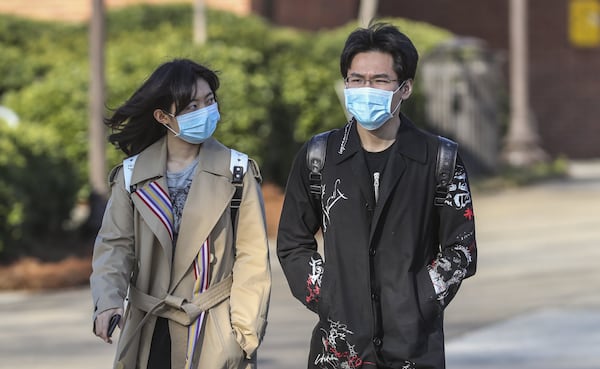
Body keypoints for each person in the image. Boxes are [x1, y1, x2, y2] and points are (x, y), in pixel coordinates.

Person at [277, 23, 477, 369]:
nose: (365, 89)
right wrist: (328, 297)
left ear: (406, 88)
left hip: (414, 349)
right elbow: (293, 242)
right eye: (356, 80)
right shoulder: (319, 156)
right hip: (338, 350)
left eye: (380, 80)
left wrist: (421, 298)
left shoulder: (440, 159)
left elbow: (461, 249)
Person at [90, 59, 271, 369]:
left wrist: (244, 334)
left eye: (209, 101)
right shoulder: (132, 176)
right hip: (148, 327)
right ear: (163, 117)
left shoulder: (237, 171)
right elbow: (115, 247)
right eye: (191, 106)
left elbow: (252, 257)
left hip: (213, 326)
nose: (205, 111)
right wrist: (107, 303)